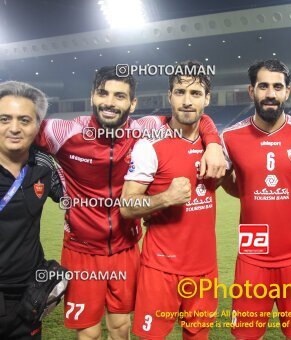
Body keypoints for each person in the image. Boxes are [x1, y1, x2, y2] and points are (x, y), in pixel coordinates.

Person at [34, 66, 226, 339]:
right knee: (88, 333)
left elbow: (193, 115)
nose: (110, 102)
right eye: (103, 93)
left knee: (121, 327)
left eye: (120, 96)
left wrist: (214, 142)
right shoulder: (63, 131)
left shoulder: (144, 129)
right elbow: (19, 126)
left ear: (132, 103)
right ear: (92, 96)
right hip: (81, 250)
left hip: (126, 248)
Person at [221, 59, 291, 340]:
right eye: (263, 86)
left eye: (277, 87)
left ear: (287, 92)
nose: (270, 93)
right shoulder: (230, 138)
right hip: (253, 251)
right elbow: (230, 185)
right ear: (251, 91)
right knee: (246, 335)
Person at [120, 60, 219, 340]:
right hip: (161, 269)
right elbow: (127, 206)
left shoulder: (213, 144)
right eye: (180, 92)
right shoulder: (150, 144)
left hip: (204, 269)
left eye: (196, 94)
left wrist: (213, 145)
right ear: (170, 96)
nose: (187, 101)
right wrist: (165, 198)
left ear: (207, 99)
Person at [0, 81, 63, 339]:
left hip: (29, 294)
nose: (14, 128)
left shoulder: (44, 165)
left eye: (24, 120)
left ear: (38, 126)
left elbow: (79, 200)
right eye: (5, 119)